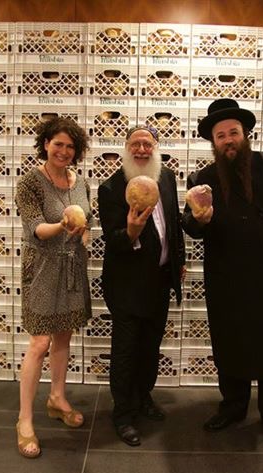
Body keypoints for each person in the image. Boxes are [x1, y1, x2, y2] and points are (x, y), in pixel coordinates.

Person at [182, 99, 263, 447]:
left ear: (245, 134)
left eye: (233, 133)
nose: (228, 140)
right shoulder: (202, 180)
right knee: (232, 342)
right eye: (221, 135)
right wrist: (199, 220)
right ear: (213, 142)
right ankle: (233, 406)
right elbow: (190, 226)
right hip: (228, 277)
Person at [97, 125, 186, 447]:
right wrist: (131, 232)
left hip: (160, 281)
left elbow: (173, 225)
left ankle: (143, 397)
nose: (142, 150)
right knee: (126, 351)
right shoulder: (111, 188)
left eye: (148, 144)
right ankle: (123, 414)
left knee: (150, 347)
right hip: (127, 285)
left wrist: (179, 261)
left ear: (156, 148)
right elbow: (112, 240)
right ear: (126, 148)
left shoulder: (167, 179)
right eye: (135, 144)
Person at [14, 117, 92, 459]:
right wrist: (62, 224)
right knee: (39, 343)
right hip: (43, 268)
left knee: (63, 335)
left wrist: (83, 233)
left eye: (70, 146)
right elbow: (35, 228)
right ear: (45, 144)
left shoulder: (81, 182)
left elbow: (87, 219)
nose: (64, 151)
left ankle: (57, 398)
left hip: (73, 267)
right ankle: (24, 420)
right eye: (58, 144)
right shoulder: (30, 182)